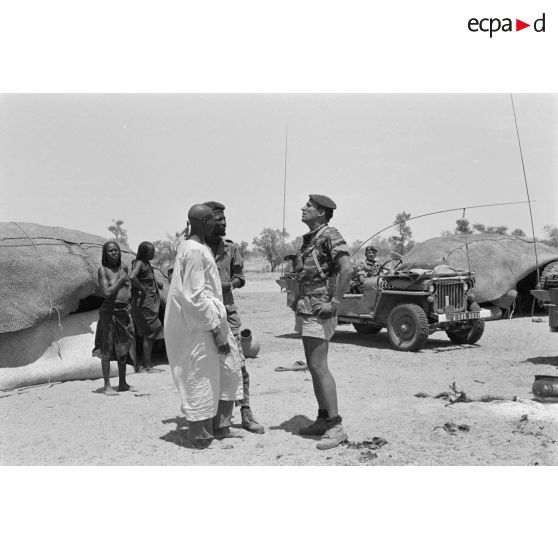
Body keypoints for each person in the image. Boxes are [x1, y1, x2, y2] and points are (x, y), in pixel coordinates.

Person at [164, 204, 243, 449]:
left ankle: (221, 426)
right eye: (213, 220)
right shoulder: (195, 251)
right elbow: (195, 297)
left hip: (210, 319)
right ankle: (200, 435)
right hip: (199, 325)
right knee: (201, 375)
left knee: (229, 368)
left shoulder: (193, 247)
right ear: (205, 222)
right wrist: (217, 331)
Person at [291, 194, 353, 450]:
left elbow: (347, 269)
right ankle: (322, 419)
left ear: (322, 212)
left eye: (309, 206)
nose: (303, 209)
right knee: (314, 367)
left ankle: (336, 427)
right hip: (308, 308)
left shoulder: (329, 234)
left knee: (319, 367)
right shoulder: (314, 238)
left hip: (320, 309)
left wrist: (335, 302)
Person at [203, 200, 265, 434]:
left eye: (225, 219)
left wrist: (230, 284)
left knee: (238, 366)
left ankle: (246, 412)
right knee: (207, 367)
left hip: (228, 316)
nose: (224, 223)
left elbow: (240, 277)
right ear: (207, 222)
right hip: (202, 316)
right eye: (219, 220)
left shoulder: (231, 249)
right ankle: (210, 417)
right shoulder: (195, 248)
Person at [92, 241, 136, 395]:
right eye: (110, 251)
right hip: (109, 313)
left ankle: (123, 383)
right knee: (107, 347)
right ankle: (107, 386)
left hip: (123, 312)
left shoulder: (123, 268)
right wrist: (120, 281)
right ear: (105, 254)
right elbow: (107, 293)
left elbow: (127, 288)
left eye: (116, 250)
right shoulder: (103, 271)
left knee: (123, 347)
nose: (114, 253)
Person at [129, 241, 164, 371]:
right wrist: (142, 289)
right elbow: (132, 277)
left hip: (150, 302)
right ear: (144, 252)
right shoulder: (138, 263)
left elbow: (146, 278)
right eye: (150, 252)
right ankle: (147, 365)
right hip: (145, 302)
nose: (153, 254)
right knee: (149, 333)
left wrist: (157, 283)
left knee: (151, 331)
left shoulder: (146, 263)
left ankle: (146, 363)